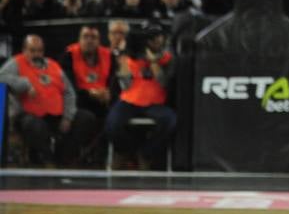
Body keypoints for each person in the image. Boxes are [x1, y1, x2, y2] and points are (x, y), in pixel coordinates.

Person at [0, 34, 97, 166]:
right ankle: (47, 160)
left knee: (86, 118)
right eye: (32, 50)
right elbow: (2, 77)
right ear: (24, 50)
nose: (36, 54)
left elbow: (69, 93)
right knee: (34, 125)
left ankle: (65, 158)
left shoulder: (53, 65)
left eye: (39, 50)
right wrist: (24, 84)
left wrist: (68, 117)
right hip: (29, 116)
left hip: (57, 115)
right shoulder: (16, 63)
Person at [106, 24, 175, 169]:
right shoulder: (133, 56)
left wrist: (153, 61)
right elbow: (125, 85)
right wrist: (123, 65)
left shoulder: (168, 58)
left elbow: (164, 82)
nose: (154, 42)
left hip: (156, 103)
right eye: (150, 39)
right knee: (112, 124)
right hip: (130, 100)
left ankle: (146, 153)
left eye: (157, 38)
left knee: (170, 121)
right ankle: (127, 151)